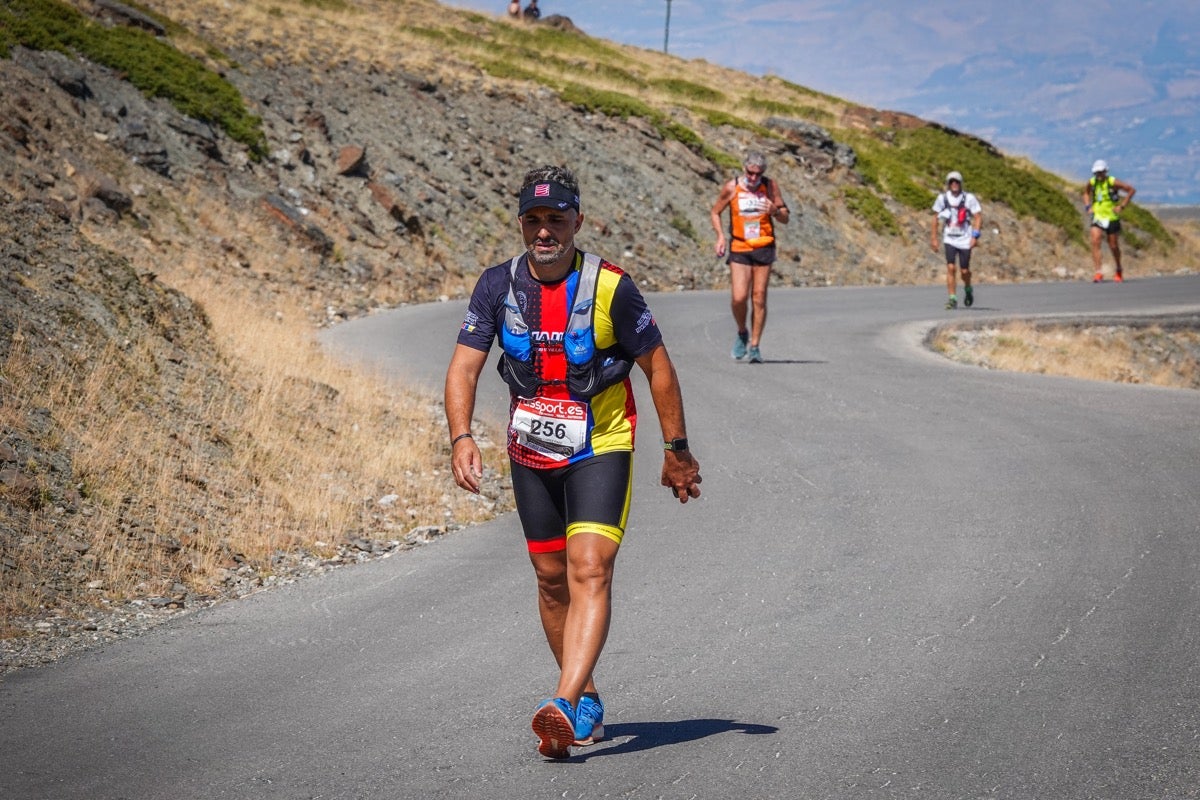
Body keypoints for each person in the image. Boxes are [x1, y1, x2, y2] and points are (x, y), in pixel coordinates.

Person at [445, 165, 702, 760]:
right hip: (530, 451)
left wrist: (676, 450)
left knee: (590, 568)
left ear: (577, 221)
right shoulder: (496, 286)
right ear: (520, 223)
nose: (544, 231)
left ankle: (560, 703)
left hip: (600, 444)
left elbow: (658, 367)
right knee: (550, 578)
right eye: (533, 219)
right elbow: (463, 367)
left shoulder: (612, 287)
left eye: (556, 219)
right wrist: (461, 437)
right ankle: (584, 696)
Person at [710, 151, 789, 363]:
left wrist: (774, 210)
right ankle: (742, 331)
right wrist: (720, 237)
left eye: (758, 174)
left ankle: (754, 346)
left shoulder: (770, 187)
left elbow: (785, 217)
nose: (754, 178)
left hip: (764, 246)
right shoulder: (732, 187)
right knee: (739, 297)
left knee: (759, 297)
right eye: (750, 173)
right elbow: (715, 212)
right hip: (740, 246)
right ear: (744, 169)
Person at [930, 170, 982, 309]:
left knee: (964, 271)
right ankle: (952, 298)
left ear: (960, 183)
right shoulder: (942, 198)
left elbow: (978, 217)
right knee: (951, 267)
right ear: (948, 184)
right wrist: (934, 238)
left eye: (957, 181)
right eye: (951, 182)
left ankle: (968, 288)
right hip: (949, 238)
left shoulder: (969, 198)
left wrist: (975, 236)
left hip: (965, 239)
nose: (954, 184)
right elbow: (935, 218)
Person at [1083, 159, 1136, 283]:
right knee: (1095, 241)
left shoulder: (1112, 182)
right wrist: (1088, 206)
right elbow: (1085, 193)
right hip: (1098, 216)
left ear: (1105, 171)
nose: (1099, 175)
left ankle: (1118, 268)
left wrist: (1122, 206)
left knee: (1113, 245)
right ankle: (1098, 272)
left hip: (1111, 217)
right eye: (1096, 173)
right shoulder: (1092, 182)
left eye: (1101, 172)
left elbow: (1131, 190)